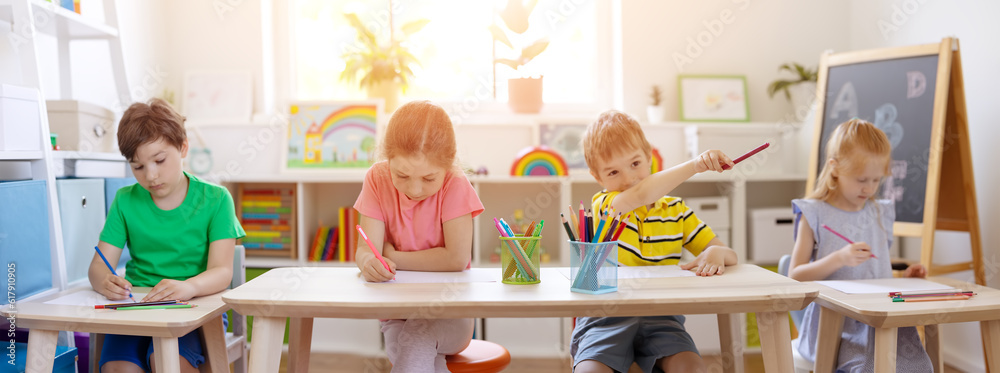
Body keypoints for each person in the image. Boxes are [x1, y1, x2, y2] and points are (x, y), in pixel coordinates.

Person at [573, 110, 739, 373]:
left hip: (663, 319)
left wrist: (717, 252)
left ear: (649, 156)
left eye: (635, 164)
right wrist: (695, 165)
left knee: (693, 369)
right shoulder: (605, 205)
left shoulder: (676, 211)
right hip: (606, 319)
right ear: (597, 177)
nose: (628, 179)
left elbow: (729, 254)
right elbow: (640, 194)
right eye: (613, 172)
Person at [89, 98, 245, 372]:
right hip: (135, 309)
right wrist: (105, 281)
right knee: (118, 368)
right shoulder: (125, 200)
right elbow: (99, 266)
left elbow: (222, 271)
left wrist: (190, 287)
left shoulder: (217, 199)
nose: (150, 175)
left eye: (159, 160)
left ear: (183, 147)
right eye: (137, 166)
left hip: (193, 310)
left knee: (166, 361)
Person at [789, 118, 931, 372]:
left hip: (881, 320)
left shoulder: (881, 211)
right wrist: (838, 259)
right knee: (868, 367)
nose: (869, 188)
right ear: (835, 168)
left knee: (919, 366)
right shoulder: (815, 213)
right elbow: (795, 275)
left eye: (877, 180)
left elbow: (877, 272)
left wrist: (909, 278)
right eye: (861, 179)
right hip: (835, 326)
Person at [353, 100, 485, 372]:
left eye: (428, 179)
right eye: (401, 175)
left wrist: (391, 256)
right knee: (410, 348)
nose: (414, 189)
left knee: (415, 340)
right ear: (387, 159)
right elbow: (366, 250)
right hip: (396, 314)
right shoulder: (376, 179)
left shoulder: (455, 184)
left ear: (448, 166)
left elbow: (456, 259)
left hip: (450, 313)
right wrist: (368, 263)